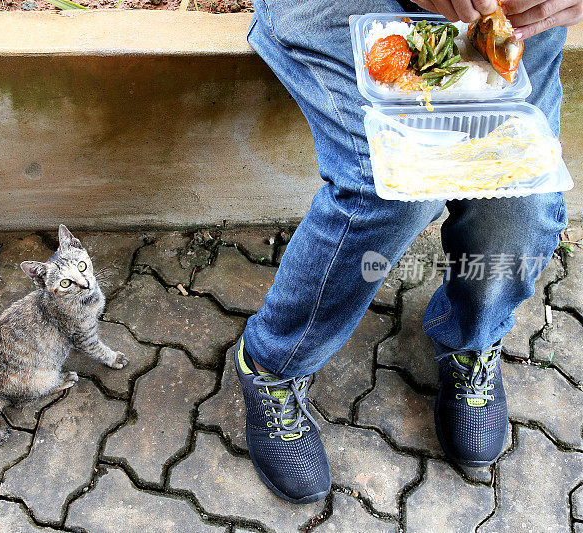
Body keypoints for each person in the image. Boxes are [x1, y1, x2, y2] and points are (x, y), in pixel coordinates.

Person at [234, 0, 581, 503]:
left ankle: (471, 336)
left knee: (521, 196)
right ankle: (272, 363)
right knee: (392, 188)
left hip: (510, 16)